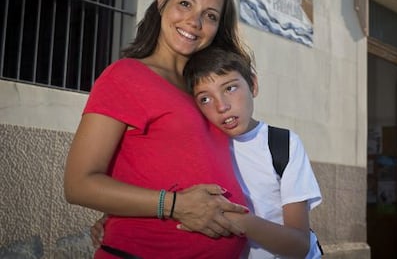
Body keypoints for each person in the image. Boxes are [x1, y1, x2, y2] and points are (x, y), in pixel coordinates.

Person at [64, 0, 252, 259]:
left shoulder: (205, 91)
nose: (194, 21)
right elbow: (79, 184)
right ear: (162, 3)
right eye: (185, 4)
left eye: (210, 16)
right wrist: (175, 205)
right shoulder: (125, 76)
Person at [91, 47, 323, 258]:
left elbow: (299, 244)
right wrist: (115, 219)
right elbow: (168, 195)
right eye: (205, 98)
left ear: (253, 84)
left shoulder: (283, 143)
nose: (221, 106)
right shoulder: (198, 144)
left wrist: (235, 220)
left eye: (230, 88)